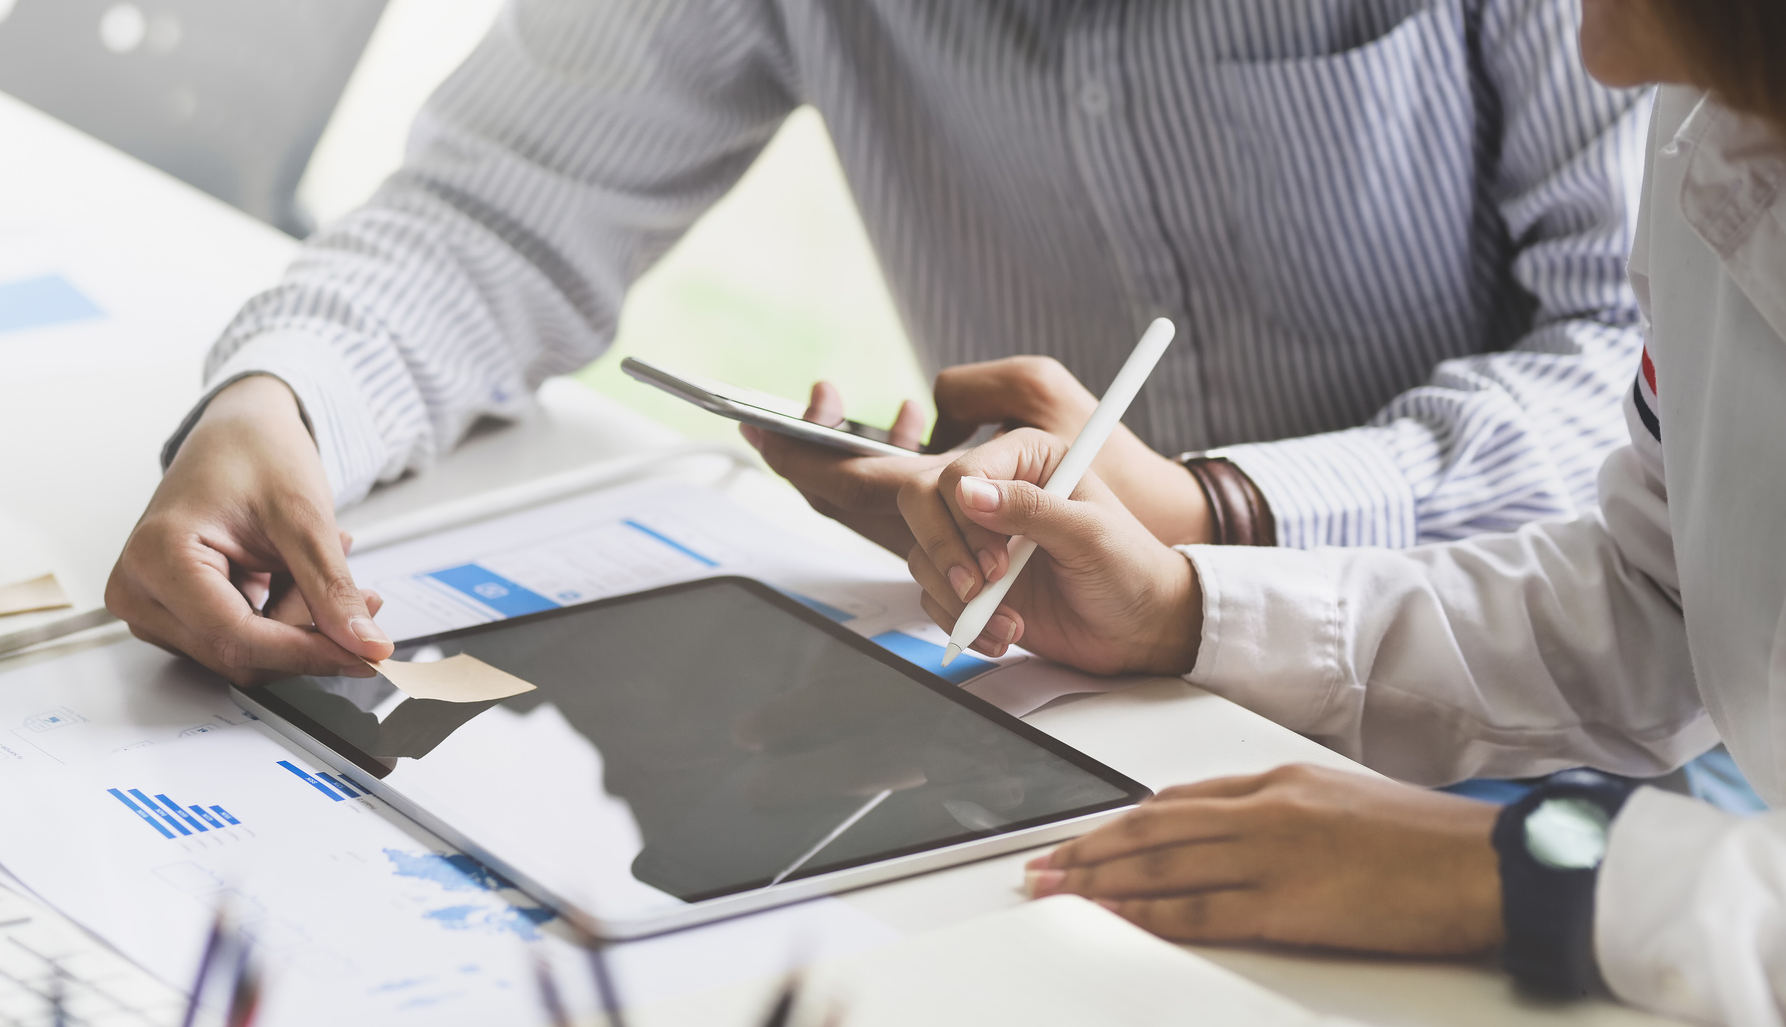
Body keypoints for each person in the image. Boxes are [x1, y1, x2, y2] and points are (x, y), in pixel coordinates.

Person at [106, 0, 1650, 684]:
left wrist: (1223, 517)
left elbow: (1653, 369)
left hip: (1542, 710)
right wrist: (277, 408)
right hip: (1083, 700)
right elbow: (498, 208)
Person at [814, 0, 1786, 1027]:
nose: (1580, 48)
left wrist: (1514, 868)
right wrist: (1183, 607)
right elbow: (1654, 598)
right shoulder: (1708, 121)